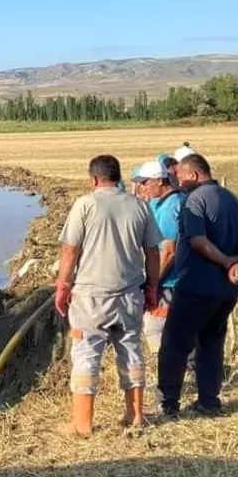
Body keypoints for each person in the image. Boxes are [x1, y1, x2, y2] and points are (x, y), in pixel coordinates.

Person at [55, 155, 161, 434]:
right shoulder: (140, 206)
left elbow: (69, 251)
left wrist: (63, 287)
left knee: (87, 354)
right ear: (119, 176)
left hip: (90, 298)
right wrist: (152, 288)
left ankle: (82, 424)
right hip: (129, 295)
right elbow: (152, 252)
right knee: (131, 352)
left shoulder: (85, 205)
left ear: (93, 179)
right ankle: (135, 415)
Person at [157, 153, 238, 419]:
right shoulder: (233, 199)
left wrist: (225, 262)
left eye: (180, 177)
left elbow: (198, 241)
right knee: (211, 344)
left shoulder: (195, 200)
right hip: (226, 291)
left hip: (196, 287)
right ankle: (209, 401)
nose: (178, 183)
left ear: (195, 175)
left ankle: (168, 402)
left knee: (174, 344)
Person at [134, 160, 186, 408]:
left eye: (145, 182)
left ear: (160, 180)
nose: (143, 187)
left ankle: (168, 388)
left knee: (156, 330)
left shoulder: (169, 209)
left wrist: (153, 282)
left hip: (169, 282)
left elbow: (168, 251)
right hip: (176, 280)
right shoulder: (170, 203)